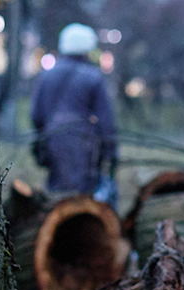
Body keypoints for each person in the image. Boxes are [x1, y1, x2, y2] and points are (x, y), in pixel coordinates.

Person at [30, 23, 118, 204]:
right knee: (85, 199)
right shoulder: (94, 77)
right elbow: (106, 121)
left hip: (53, 141)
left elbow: (36, 115)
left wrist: (42, 142)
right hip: (86, 146)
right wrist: (111, 152)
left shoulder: (47, 76)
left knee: (56, 198)